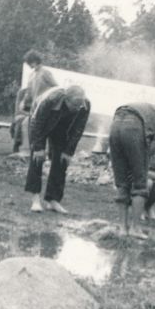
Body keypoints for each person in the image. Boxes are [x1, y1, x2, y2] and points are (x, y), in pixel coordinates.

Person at [109, 98, 155, 238]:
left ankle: (122, 228)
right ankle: (135, 228)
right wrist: (142, 160)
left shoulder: (148, 107)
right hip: (134, 127)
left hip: (116, 122)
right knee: (140, 182)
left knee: (122, 181)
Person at [26, 85, 91, 213]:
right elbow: (36, 122)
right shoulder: (51, 99)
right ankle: (35, 199)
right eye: (74, 105)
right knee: (37, 158)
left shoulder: (85, 105)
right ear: (66, 99)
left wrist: (68, 152)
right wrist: (38, 147)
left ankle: (53, 200)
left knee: (62, 161)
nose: (77, 108)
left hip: (62, 127)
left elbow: (78, 129)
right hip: (41, 122)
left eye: (80, 105)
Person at [10, 88, 30, 154]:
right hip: (24, 115)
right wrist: (28, 114)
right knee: (20, 120)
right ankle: (17, 143)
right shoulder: (23, 94)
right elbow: (19, 110)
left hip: (32, 116)